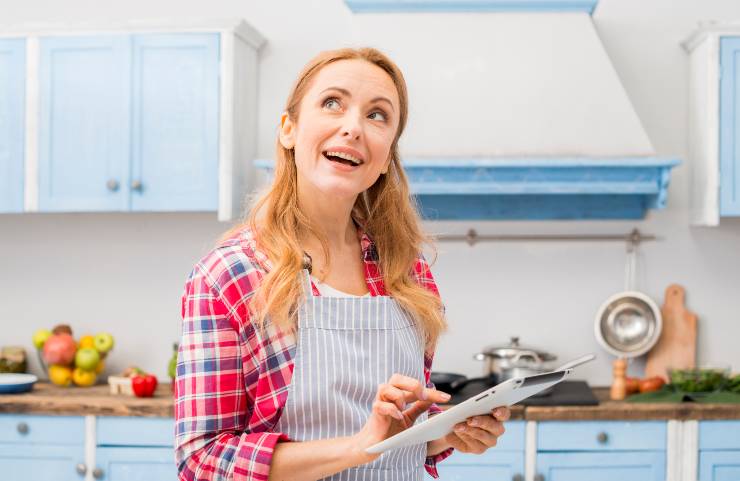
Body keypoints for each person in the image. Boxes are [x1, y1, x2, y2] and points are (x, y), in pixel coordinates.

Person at [175, 47, 510, 481]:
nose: (353, 127)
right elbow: (201, 462)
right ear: (288, 129)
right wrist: (357, 448)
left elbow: (398, 435)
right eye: (332, 103)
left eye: (377, 115)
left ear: (387, 155)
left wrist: (445, 435)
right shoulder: (229, 275)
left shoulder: (407, 273)